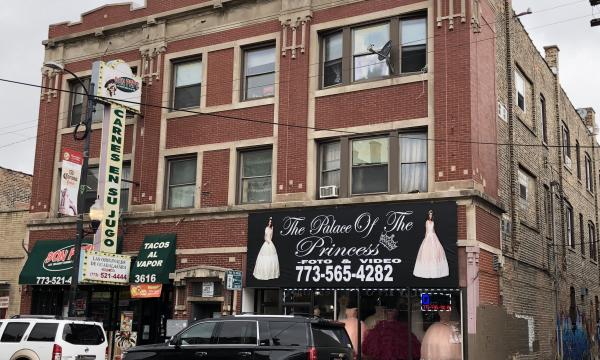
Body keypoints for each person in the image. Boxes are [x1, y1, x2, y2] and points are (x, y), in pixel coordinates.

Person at [413, 210, 449, 278]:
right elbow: (426, 231)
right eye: (429, 214)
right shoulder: (427, 222)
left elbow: (433, 230)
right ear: (428, 215)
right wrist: (426, 238)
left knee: (435, 251)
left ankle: (436, 270)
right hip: (428, 236)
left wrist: (435, 237)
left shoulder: (433, 222)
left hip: (433, 236)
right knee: (427, 252)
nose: (430, 216)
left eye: (431, 215)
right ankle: (426, 270)